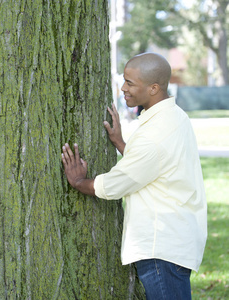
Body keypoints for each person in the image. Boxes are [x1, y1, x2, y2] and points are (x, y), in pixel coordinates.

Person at [61, 53, 207, 300]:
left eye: (130, 83)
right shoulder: (175, 118)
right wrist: (121, 143)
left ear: (153, 88)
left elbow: (116, 185)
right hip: (175, 241)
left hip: (161, 247)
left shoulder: (153, 135)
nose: (123, 88)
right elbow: (155, 166)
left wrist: (78, 182)